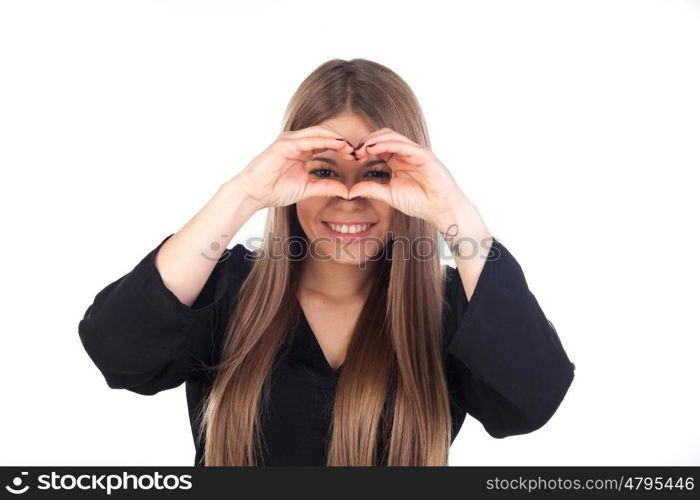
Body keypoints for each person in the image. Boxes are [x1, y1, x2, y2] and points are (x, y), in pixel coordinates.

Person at [78, 58, 575, 466]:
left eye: (377, 173)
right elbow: (119, 354)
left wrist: (452, 211)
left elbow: (530, 401)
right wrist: (244, 193)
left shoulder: (447, 305)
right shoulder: (226, 286)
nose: (349, 196)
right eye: (324, 171)